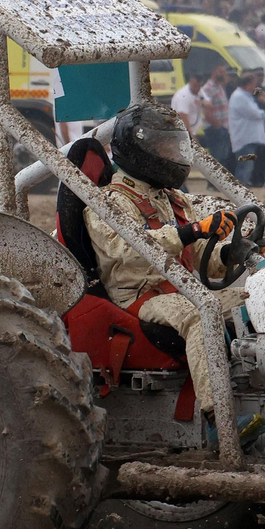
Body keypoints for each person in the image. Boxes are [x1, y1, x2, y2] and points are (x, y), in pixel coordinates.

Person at [84, 105, 245, 416]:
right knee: (203, 313)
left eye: (175, 145)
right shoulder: (107, 202)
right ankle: (220, 416)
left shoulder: (175, 198)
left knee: (254, 302)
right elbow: (129, 252)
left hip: (180, 290)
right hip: (138, 296)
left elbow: (197, 259)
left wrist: (228, 253)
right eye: (164, 146)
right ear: (140, 150)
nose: (172, 153)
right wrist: (192, 230)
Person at [227, 70, 265, 184]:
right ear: (248, 84)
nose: (255, 86)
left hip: (248, 138)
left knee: (247, 167)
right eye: (254, 84)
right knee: (245, 167)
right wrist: (263, 114)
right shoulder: (240, 97)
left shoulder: (246, 96)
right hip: (244, 139)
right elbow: (255, 113)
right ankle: (240, 194)